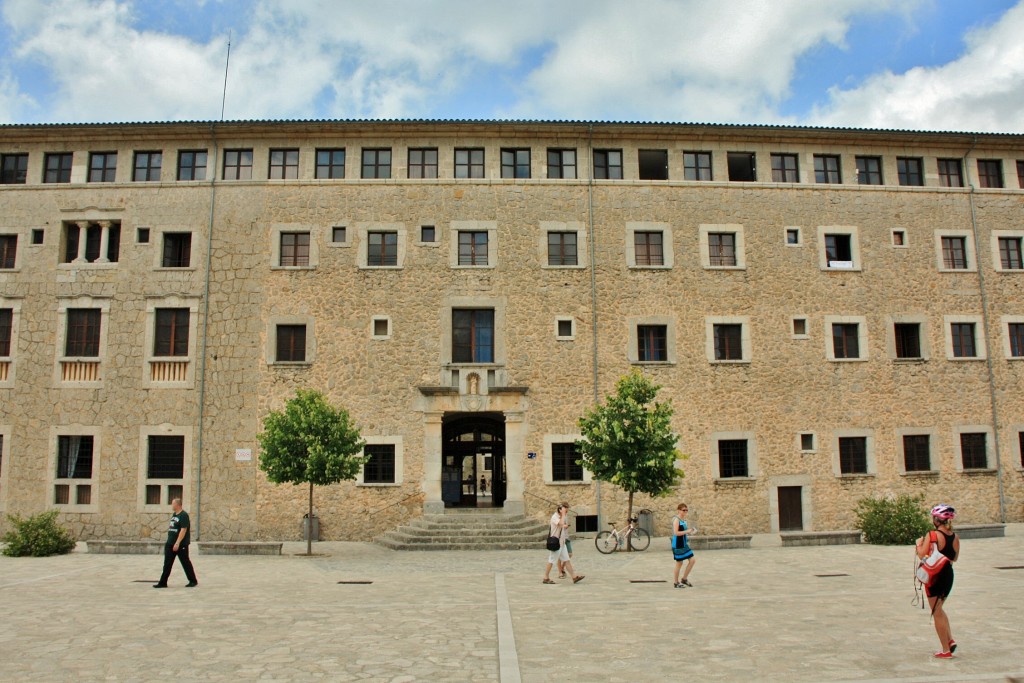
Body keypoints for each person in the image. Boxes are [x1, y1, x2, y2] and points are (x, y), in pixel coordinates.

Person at [917, 504, 959, 658]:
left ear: (936, 519)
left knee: (936, 612)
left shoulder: (932, 535)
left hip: (935, 575)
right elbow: (954, 558)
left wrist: (919, 545)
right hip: (948, 574)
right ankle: (950, 640)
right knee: (940, 608)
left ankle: (945, 650)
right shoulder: (955, 537)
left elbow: (922, 555)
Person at [154, 498, 198, 588]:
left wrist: (177, 543)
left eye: (173, 504)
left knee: (185, 562)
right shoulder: (174, 515)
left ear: (178, 505)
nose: (172, 505)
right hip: (170, 543)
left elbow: (183, 529)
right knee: (167, 563)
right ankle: (163, 582)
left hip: (181, 545)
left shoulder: (184, 515)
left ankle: (193, 580)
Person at [543, 502, 583, 585]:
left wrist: (563, 516)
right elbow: (561, 523)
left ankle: (574, 577)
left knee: (567, 560)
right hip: (556, 543)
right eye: (566, 510)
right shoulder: (555, 517)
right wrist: (563, 514)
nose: (566, 512)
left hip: (562, 543)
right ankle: (546, 577)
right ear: (560, 510)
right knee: (551, 560)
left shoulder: (561, 516)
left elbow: (562, 525)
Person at [672, 503, 696, 588]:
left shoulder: (684, 520)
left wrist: (690, 531)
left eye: (686, 510)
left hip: (684, 543)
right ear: (679, 510)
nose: (685, 511)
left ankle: (684, 579)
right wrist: (687, 531)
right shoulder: (676, 520)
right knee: (679, 563)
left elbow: (685, 531)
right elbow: (676, 533)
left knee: (692, 560)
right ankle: (676, 582)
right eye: (683, 510)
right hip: (678, 544)